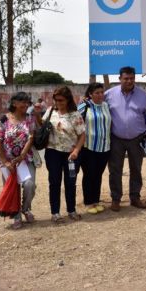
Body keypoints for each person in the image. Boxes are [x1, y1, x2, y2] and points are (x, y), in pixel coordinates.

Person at [104, 66, 146, 211]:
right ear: (120, 79)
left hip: (137, 139)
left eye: (132, 78)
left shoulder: (143, 95)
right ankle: (115, 199)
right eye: (126, 78)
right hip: (116, 138)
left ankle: (135, 197)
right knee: (115, 169)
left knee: (136, 169)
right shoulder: (109, 94)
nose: (129, 81)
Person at [0, 92, 38, 229]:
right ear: (14, 103)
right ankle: (16, 216)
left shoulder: (29, 118)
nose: (26, 105)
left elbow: (31, 136)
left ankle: (26, 208)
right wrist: (6, 162)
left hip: (26, 159)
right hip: (8, 162)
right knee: (13, 189)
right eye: (23, 102)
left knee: (30, 185)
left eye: (27, 102)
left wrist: (22, 155)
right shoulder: (4, 120)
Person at [44, 86, 85, 222]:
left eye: (61, 100)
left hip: (70, 155)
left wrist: (76, 151)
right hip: (52, 153)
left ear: (68, 100)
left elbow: (82, 135)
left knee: (70, 182)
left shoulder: (75, 114)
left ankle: (71, 210)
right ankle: (55, 213)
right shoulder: (50, 111)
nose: (58, 103)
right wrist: (37, 116)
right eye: (56, 100)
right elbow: (42, 126)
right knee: (54, 183)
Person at [77, 82, 111, 215]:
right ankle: (89, 202)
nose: (100, 95)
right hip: (88, 147)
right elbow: (75, 121)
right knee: (89, 175)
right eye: (96, 93)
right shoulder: (84, 106)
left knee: (98, 175)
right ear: (90, 94)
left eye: (102, 92)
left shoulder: (106, 106)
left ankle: (96, 200)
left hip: (104, 147)